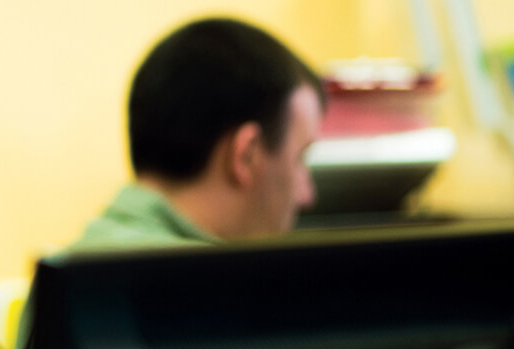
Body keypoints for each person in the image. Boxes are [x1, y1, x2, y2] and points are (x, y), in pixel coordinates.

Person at [69, 17, 326, 251]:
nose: (307, 195)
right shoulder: (209, 291)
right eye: (300, 159)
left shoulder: (81, 267)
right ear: (246, 155)